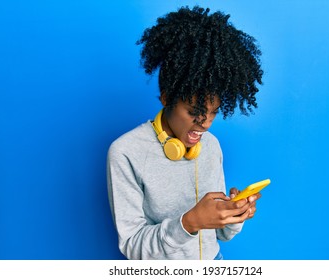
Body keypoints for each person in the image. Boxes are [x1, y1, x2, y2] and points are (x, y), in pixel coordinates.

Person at [107, 6, 264, 260]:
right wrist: (188, 223)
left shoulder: (211, 146)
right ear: (167, 98)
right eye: (194, 111)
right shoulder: (125, 152)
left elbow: (221, 235)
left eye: (213, 112)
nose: (205, 124)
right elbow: (133, 246)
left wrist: (234, 214)